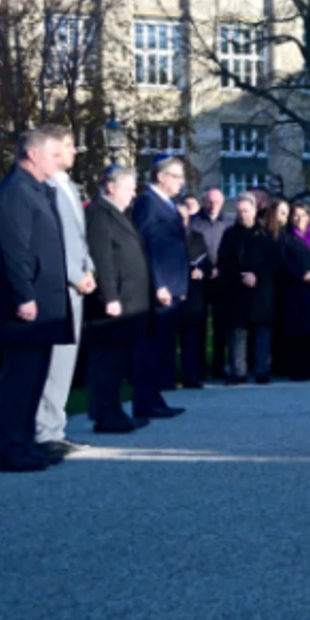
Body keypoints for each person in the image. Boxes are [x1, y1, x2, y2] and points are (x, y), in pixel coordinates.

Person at [0, 125, 77, 474]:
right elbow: (13, 249)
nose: (58, 161)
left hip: (43, 302)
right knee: (19, 378)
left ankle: (25, 443)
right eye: (53, 155)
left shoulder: (36, 190)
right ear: (32, 154)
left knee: (34, 376)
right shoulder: (16, 192)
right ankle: (9, 449)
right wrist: (24, 294)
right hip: (25, 303)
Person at [35, 131, 97, 464]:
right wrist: (75, 274)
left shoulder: (68, 185)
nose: (75, 150)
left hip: (77, 282)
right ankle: (45, 430)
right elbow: (55, 239)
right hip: (61, 284)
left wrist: (89, 268)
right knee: (55, 362)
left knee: (66, 361)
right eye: (70, 145)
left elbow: (78, 236)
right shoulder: (47, 188)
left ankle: (55, 427)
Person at [81, 164, 154, 434]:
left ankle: (111, 410)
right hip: (114, 303)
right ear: (111, 187)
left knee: (116, 360)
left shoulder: (116, 213)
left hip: (127, 301)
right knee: (107, 361)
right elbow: (102, 259)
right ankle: (105, 413)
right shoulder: (99, 214)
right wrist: (109, 296)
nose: (132, 195)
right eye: (128, 189)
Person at [126, 156, 190, 421]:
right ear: (161, 177)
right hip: (159, 286)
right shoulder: (147, 203)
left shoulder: (166, 203)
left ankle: (154, 398)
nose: (181, 182)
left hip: (172, 283)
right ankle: (145, 401)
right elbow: (148, 246)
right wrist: (159, 284)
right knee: (150, 347)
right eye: (176, 176)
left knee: (161, 346)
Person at [218, 191, 276, 384]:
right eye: (239, 211)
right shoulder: (230, 235)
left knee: (262, 332)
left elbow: (273, 262)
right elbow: (224, 262)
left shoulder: (266, 235)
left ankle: (262, 370)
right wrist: (241, 275)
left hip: (260, 291)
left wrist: (256, 275)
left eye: (246, 210)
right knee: (238, 332)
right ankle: (238, 371)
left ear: (254, 210)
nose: (243, 215)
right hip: (237, 289)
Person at [273, 198, 310, 379]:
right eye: (296, 216)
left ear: (308, 216)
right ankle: (297, 370)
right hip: (296, 290)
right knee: (297, 333)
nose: (300, 219)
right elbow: (283, 262)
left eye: (303, 215)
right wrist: (301, 274)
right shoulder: (285, 238)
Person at [180, 188, 226, 389]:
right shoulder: (195, 224)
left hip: (221, 280)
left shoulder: (228, 223)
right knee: (198, 326)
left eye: (217, 202)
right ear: (204, 201)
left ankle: (218, 365)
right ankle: (197, 368)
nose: (213, 205)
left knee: (220, 326)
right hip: (198, 283)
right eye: (209, 201)